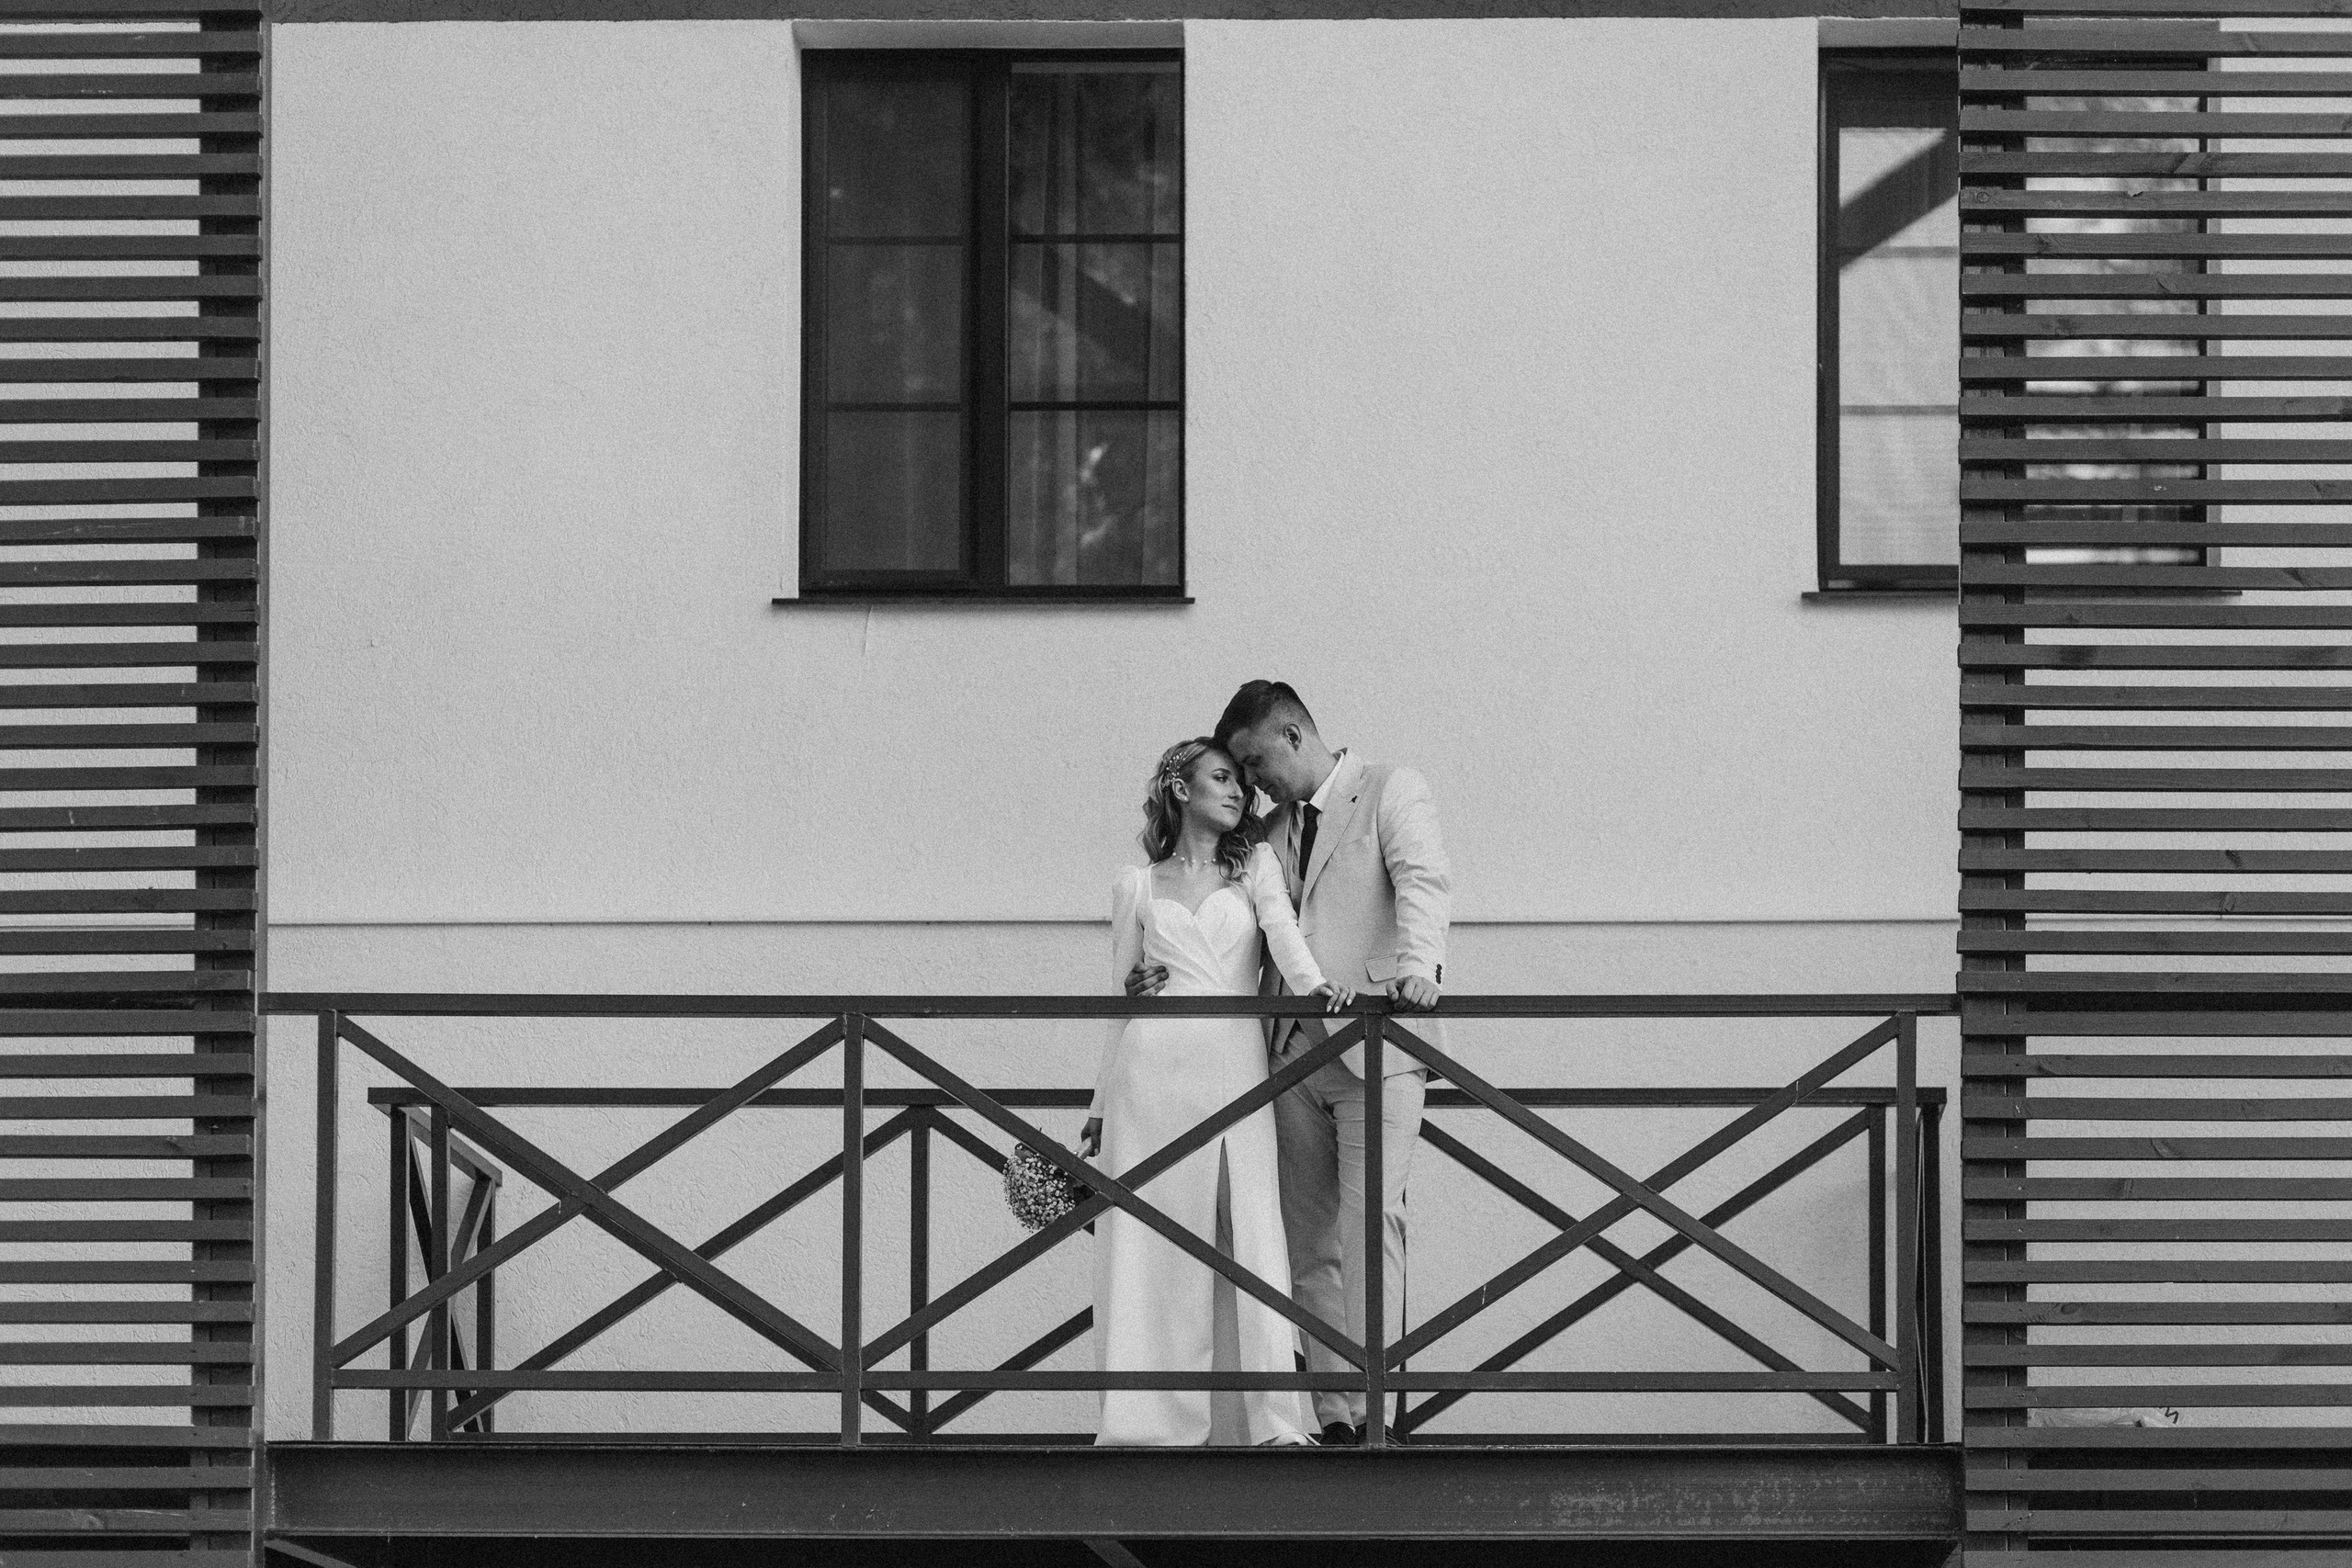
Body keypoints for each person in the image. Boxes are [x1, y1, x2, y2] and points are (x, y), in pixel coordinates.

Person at [1130, 682, 1450, 1446]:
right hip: (1290, 1053)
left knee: (1374, 1221)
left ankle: (1379, 1409)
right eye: (1233, 773)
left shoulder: (1390, 790)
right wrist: (1150, 971)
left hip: (1379, 1041)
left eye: (1253, 762)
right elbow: (1216, 910)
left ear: (1293, 734)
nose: (1249, 782)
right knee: (1309, 1240)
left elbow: (1423, 882)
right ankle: (1335, 1413)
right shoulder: (1263, 832)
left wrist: (1422, 965)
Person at [1082, 737, 1353, 1447]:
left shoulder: (1254, 864)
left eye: (1241, 780)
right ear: (1180, 787)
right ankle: (1150, 1418)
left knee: (1253, 1230)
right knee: (1154, 1238)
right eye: (1221, 777)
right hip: (1152, 1074)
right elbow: (1118, 1004)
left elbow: (1286, 939)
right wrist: (1098, 1110)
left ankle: (1270, 1420)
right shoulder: (1135, 886)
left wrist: (1321, 990)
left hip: (1234, 1068)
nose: (1239, 792)